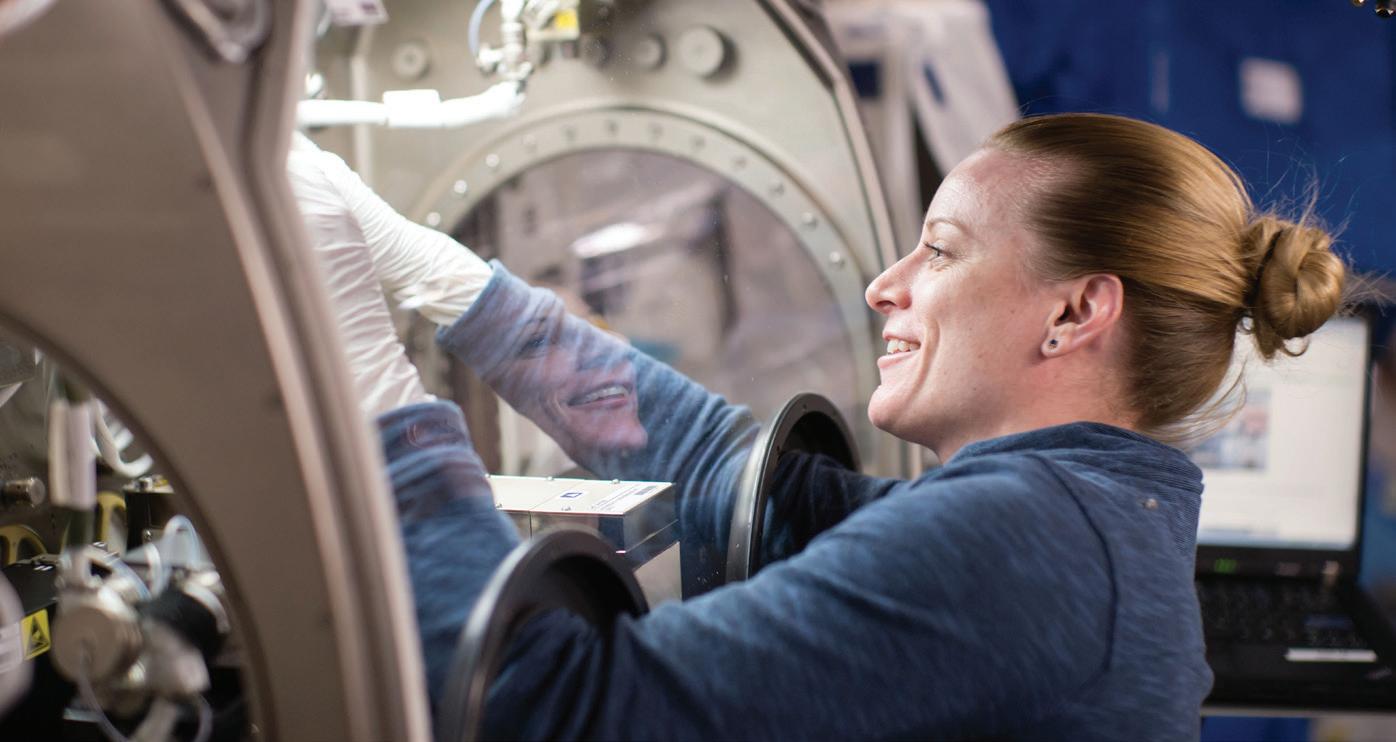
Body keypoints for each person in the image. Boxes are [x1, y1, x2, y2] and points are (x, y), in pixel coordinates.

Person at [291, 113, 1348, 740]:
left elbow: (549, 711)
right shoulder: (1095, 510)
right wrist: (443, 278)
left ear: (1074, 311)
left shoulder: (1022, 540)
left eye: (939, 251)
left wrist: (372, 400)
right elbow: (741, 482)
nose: (887, 287)